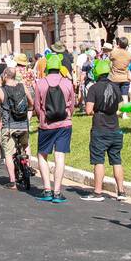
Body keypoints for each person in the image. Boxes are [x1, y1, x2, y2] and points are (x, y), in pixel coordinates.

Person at [32, 52, 76, 203]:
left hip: (46, 124)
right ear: (60, 68)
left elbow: (37, 106)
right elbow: (73, 104)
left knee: (42, 155)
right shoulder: (67, 83)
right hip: (65, 123)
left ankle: (47, 189)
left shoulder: (40, 83)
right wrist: (68, 115)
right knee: (60, 156)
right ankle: (57, 192)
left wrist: (42, 117)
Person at [81, 60, 126, 201]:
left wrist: (97, 111)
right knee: (116, 160)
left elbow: (88, 110)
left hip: (100, 129)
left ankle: (98, 192)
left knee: (99, 160)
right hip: (115, 128)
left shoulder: (93, 88)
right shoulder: (115, 87)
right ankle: (121, 192)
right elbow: (121, 108)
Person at [0, 61, 33, 189]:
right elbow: (31, 103)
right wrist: (29, 112)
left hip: (9, 125)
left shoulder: (1, 90)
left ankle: (12, 182)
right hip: (23, 124)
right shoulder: (23, 86)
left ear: (5, 75)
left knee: (8, 153)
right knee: (26, 145)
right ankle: (28, 165)